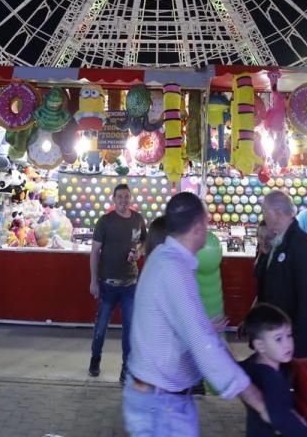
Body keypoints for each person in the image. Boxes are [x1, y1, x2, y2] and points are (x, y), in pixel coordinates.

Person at [124, 192, 268, 436]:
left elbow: (180, 328)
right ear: (200, 227)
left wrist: (203, 330)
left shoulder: (162, 259)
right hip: (161, 407)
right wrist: (257, 400)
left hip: (157, 399)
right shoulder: (173, 269)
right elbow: (204, 346)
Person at [258, 190, 307, 360]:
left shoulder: (302, 245)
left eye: (264, 211)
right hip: (280, 339)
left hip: (297, 346)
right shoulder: (280, 242)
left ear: (276, 212)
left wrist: (297, 347)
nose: (263, 216)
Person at [88, 183, 147, 382]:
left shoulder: (138, 219)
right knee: (101, 326)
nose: (123, 200)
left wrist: (139, 251)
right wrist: (93, 281)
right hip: (107, 284)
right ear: (114, 199)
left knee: (130, 329)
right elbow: (95, 251)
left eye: (126, 196)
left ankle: (126, 369)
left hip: (130, 284)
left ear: (131, 198)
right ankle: (95, 359)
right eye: (120, 197)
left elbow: (144, 242)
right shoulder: (105, 221)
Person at [239, 303, 307, 437]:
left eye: (289, 335)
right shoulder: (271, 378)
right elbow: (281, 418)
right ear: (260, 346)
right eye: (278, 339)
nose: (287, 344)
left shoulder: (252, 364)